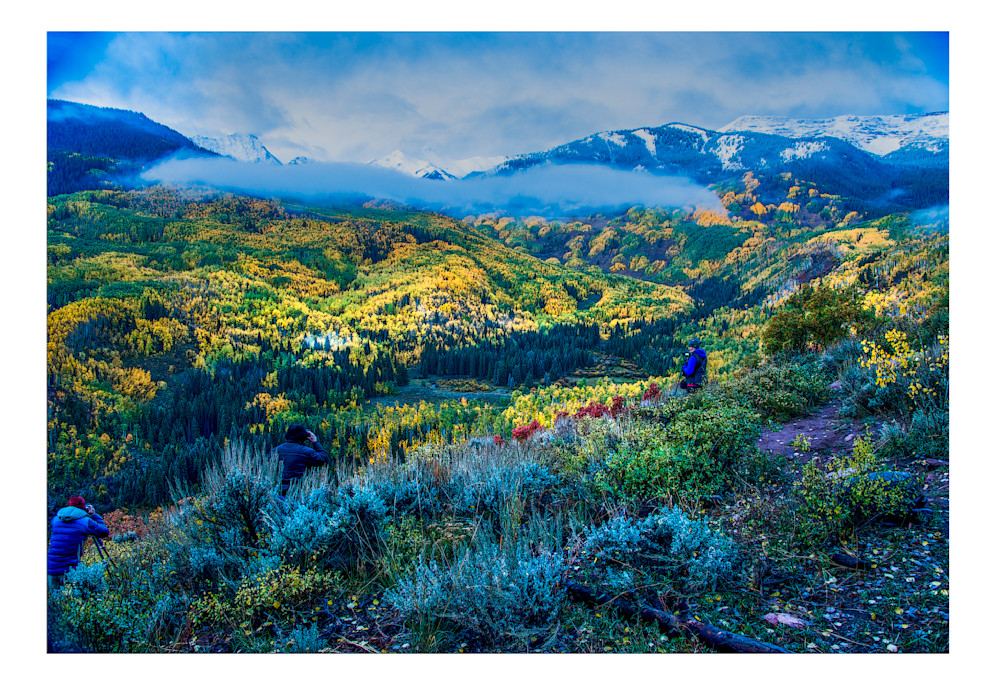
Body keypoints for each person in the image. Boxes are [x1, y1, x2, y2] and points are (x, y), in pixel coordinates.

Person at [47, 495, 110, 590]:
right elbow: (104, 532)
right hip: (69, 570)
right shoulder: (85, 522)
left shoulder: (56, 520)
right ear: (83, 507)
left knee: (55, 601)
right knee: (72, 601)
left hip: (51, 568)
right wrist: (94, 515)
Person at [276, 424, 329, 497]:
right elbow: (324, 459)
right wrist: (315, 442)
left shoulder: (275, 451)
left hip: (276, 492)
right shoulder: (306, 452)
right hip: (297, 492)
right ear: (304, 437)